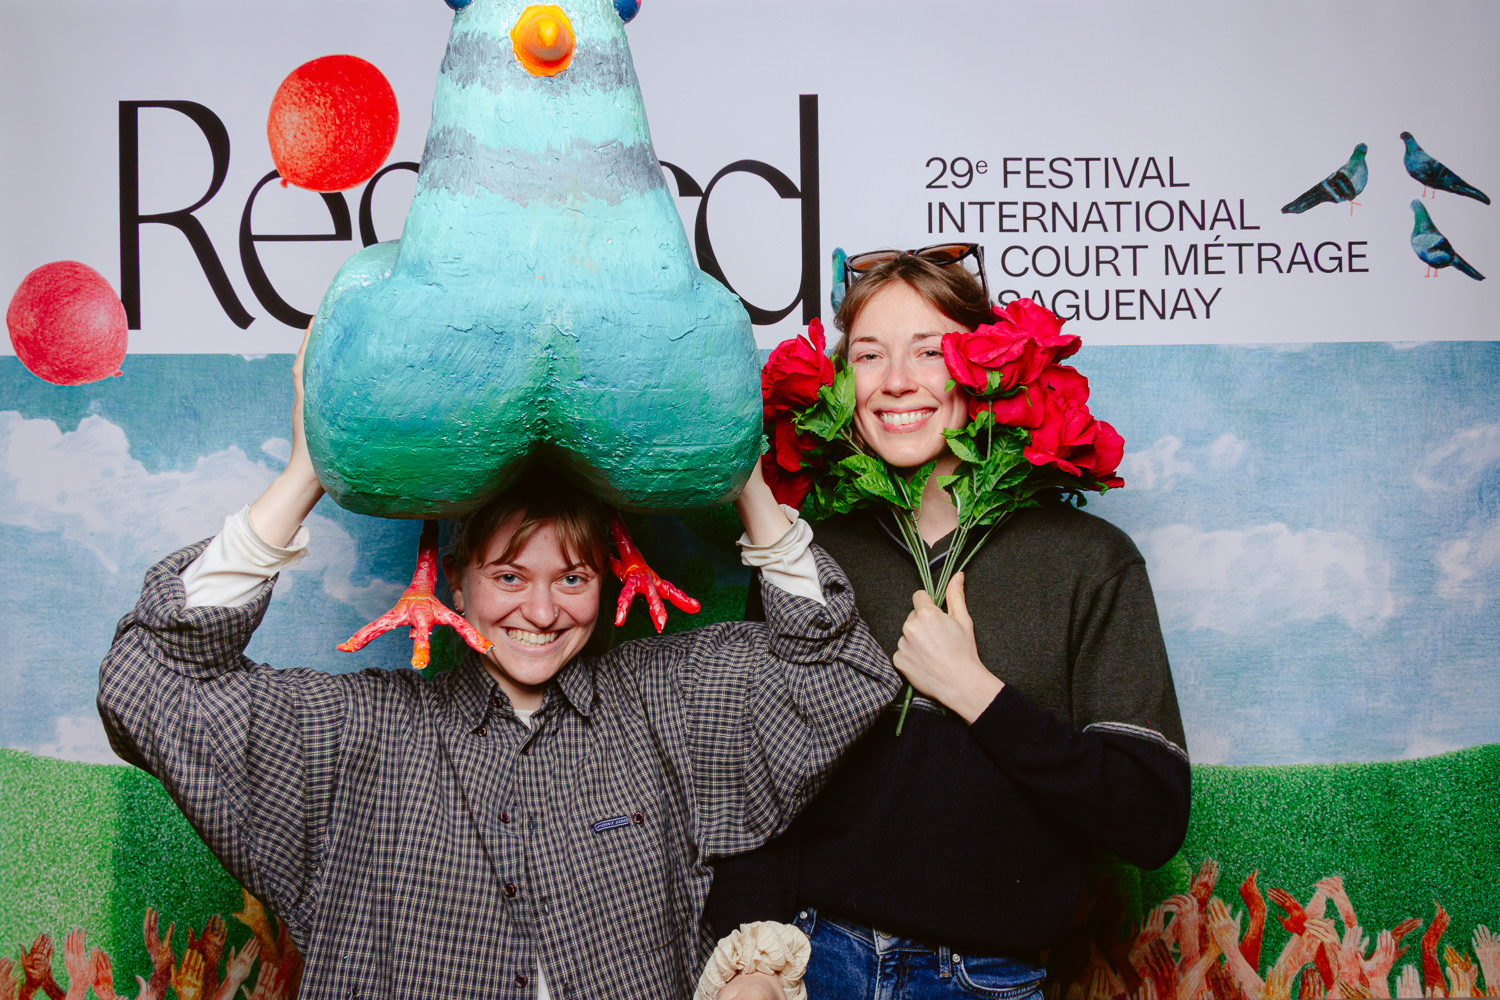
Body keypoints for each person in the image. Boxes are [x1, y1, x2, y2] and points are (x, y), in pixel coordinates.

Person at [97, 333, 900, 1000]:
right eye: (510, 577)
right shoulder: (357, 736)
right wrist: (308, 470)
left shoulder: (667, 706)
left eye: (572, 579)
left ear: (606, 580)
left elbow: (836, 671)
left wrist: (746, 479)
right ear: (457, 581)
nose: (542, 612)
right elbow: (152, 677)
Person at [701, 247, 1191, 1000]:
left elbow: (1149, 818)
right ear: (843, 383)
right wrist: (751, 959)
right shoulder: (806, 556)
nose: (896, 380)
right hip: (810, 960)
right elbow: (754, 789)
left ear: (988, 370)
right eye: (869, 354)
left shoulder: (1089, 561)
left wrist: (976, 693)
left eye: (929, 351)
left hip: (982, 978)